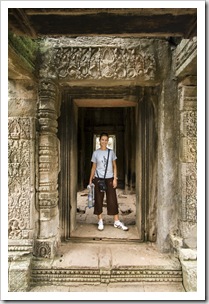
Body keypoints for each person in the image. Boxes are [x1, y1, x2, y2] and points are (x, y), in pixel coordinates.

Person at [89, 132, 128, 231]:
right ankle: (100, 220)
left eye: (106, 140)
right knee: (98, 199)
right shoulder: (95, 153)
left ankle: (116, 221)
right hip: (98, 179)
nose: (104, 142)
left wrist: (115, 178)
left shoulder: (111, 152)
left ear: (108, 141)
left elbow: (115, 166)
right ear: (99, 141)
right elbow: (94, 167)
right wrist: (90, 179)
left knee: (112, 199)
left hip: (110, 178)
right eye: (102, 140)